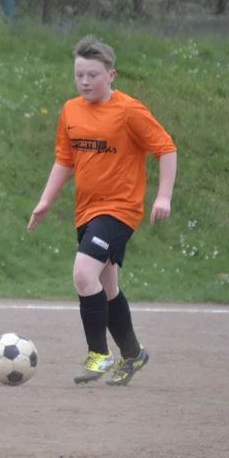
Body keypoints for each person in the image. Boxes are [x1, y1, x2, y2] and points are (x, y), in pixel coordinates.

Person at [27, 35, 177, 386]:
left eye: (92, 75)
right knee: (106, 289)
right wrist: (46, 200)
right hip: (87, 211)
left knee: (83, 274)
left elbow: (166, 148)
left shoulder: (129, 111)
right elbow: (65, 158)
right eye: (79, 75)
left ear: (111, 75)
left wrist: (163, 196)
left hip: (120, 209)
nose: (84, 81)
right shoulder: (71, 110)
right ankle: (133, 354)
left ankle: (99, 354)